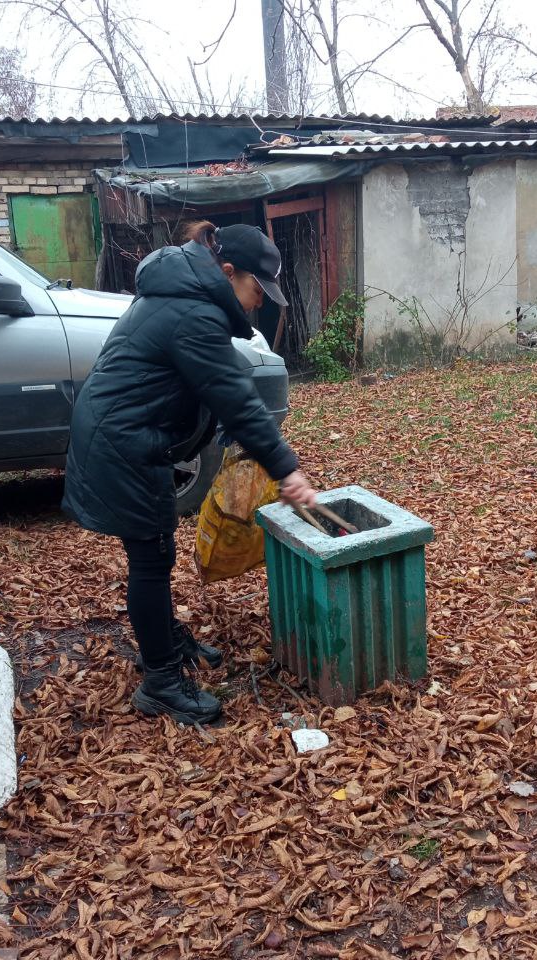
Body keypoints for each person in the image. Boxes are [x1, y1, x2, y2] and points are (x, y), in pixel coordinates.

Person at [62, 221, 318, 725]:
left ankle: (166, 641)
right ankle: (160, 681)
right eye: (254, 290)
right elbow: (237, 397)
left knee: (155, 552)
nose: (257, 304)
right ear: (226, 272)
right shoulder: (193, 313)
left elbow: (201, 385)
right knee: (152, 557)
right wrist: (287, 472)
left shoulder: (185, 296)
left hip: (128, 436)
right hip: (122, 445)